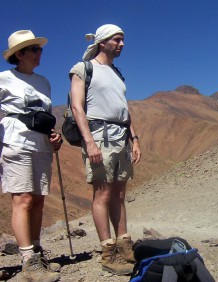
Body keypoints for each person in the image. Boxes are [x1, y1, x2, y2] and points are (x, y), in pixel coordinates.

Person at [69, 24, 141, 275]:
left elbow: (124, 108)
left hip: (120, 136)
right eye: (117, 40)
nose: (121, 44)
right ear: (102, 42)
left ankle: (124, 243)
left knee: (119, 193)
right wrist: (88, 141)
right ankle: (108, 250)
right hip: (99, 135)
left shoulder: (116, 72)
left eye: (123, 40)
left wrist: (135, 138)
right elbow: (78, 107)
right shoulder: (83, 68)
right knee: (102, 193)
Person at [0, 30, 63, 281]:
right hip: (17, 142)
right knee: (23, 199)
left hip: (42, 145)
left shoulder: (44, 82)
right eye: (34, 49)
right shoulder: (4, 78)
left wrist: (54, 135)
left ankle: (37, 253)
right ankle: (28, 262)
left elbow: (45, 115)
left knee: (38, 200)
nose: (40, 53)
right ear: (19, 54)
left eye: (39, 48)